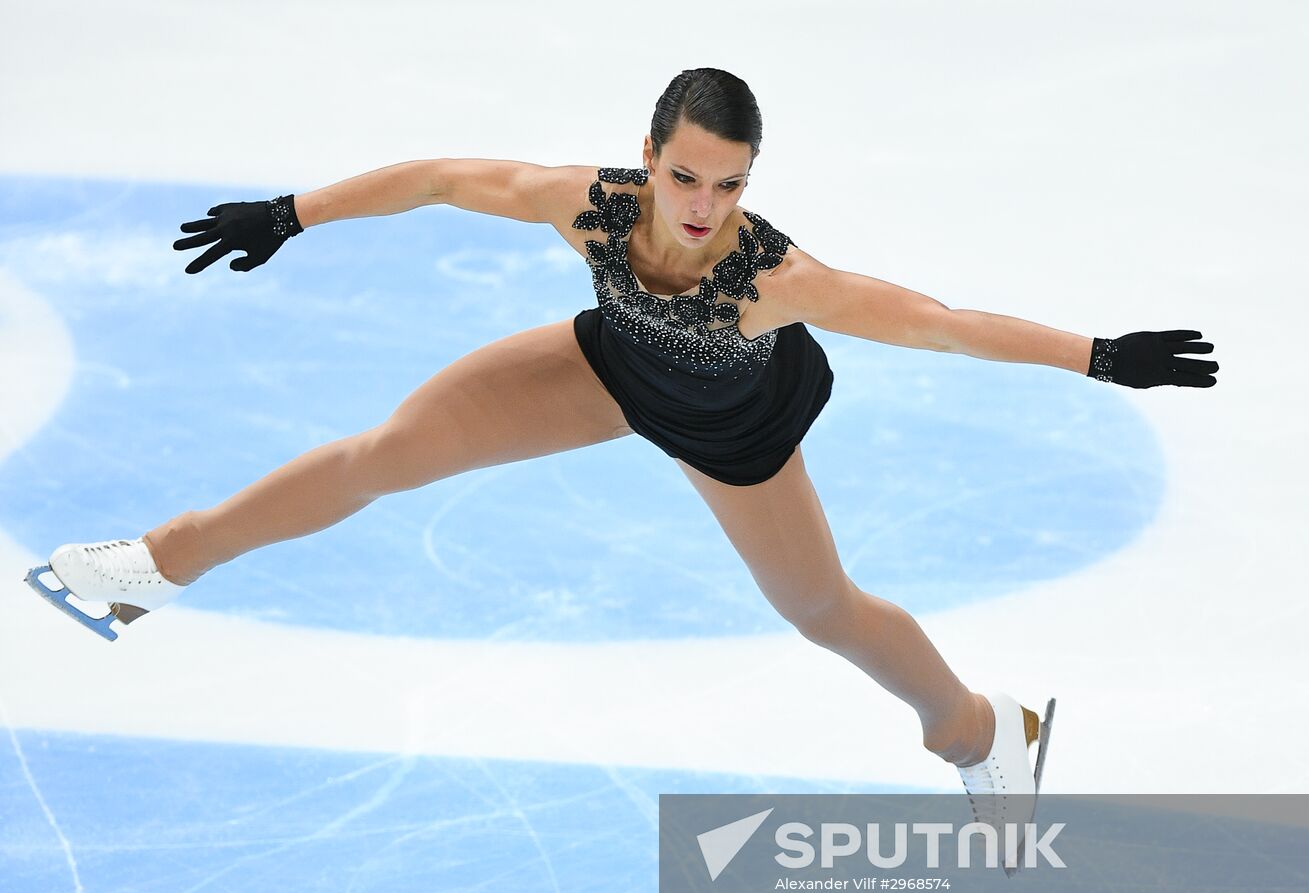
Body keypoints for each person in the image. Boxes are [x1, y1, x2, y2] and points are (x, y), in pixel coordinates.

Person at [25, 68, 1218, 851]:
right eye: (685, 174)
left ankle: (980, 732)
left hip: (733, 434)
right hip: (602, 366)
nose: (702, 205)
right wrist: (293, 212)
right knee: (387, 452)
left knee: (825, 612)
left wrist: (1099, 356)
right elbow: (443, 177)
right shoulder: (588, 205)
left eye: (729, 184)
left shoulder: (772, 279)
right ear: (649, 153)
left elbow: (940, 318)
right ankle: (152, 567)